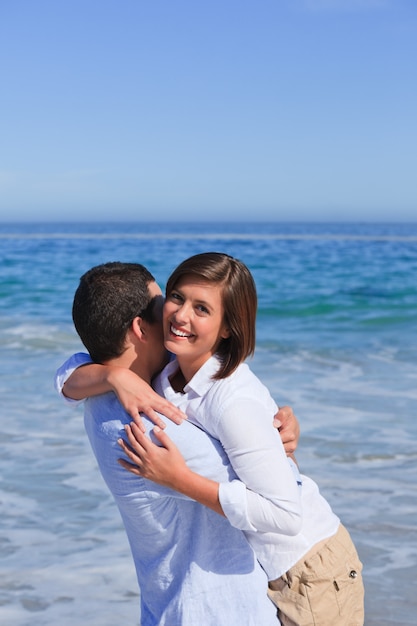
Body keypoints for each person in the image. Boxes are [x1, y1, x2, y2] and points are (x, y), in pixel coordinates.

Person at [116, 252, 365, 626]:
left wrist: (178, 479)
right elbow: (73, 372)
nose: (182, 315)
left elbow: (284, 515)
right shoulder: (170, 373)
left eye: (202, 309)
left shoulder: (232, 400)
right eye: (177, 297)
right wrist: (112, 378)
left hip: (312, 570)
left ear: (228, 328)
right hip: (278, 571)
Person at [55, 261, 300, 626]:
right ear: (140, 328)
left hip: (170, 605)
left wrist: (113, 373)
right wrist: (267, 432)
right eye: (165, 305)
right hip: (217, 610)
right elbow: (272, 497)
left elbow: (67, 373)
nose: (175, 316)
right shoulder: (152, 426)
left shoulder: (104, 393)